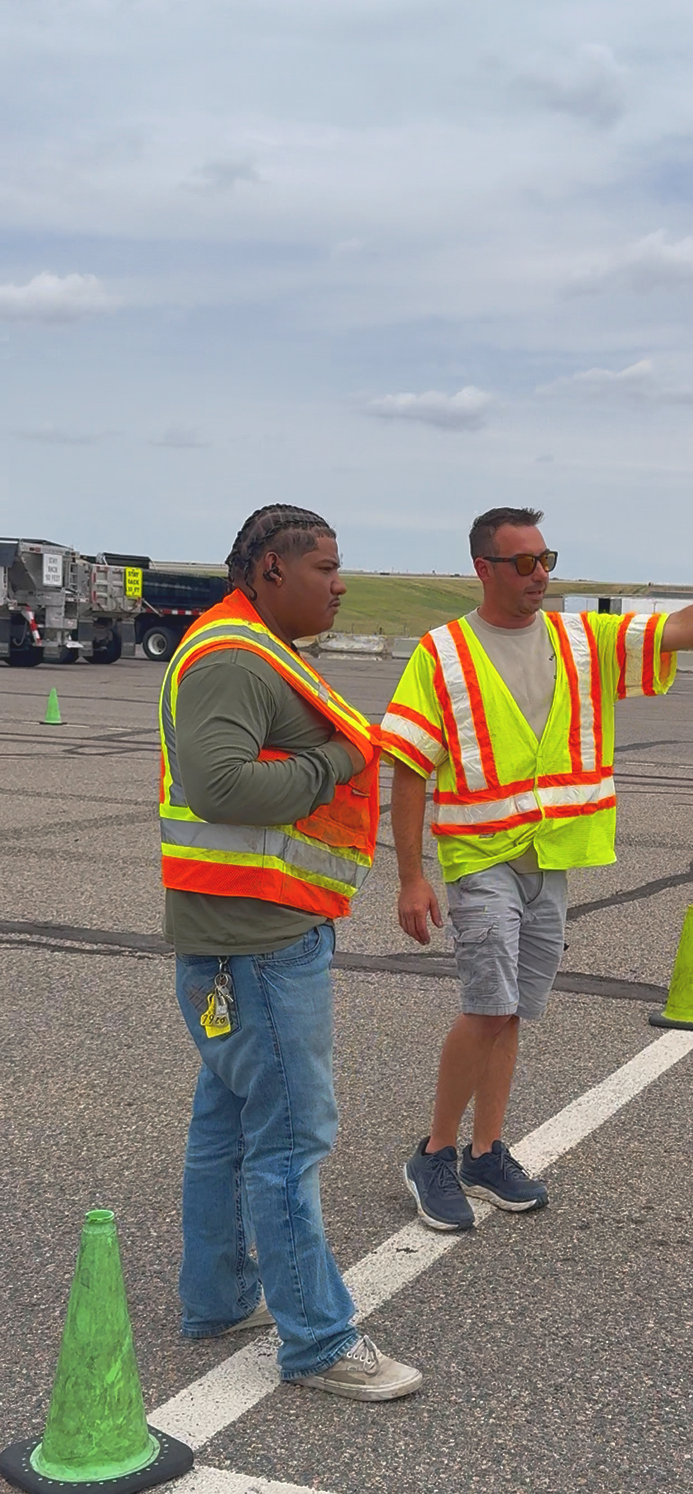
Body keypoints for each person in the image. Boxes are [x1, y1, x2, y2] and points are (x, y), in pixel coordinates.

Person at [381, 506, 693, 1231]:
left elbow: (679, 628)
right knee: (486, 1007)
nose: (540, 575)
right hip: (481, 858)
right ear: (484, 569)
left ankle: (486, 1150)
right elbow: (407, 766)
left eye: (546, 558)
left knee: (515, 1012)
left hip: (553, 856)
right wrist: (410, 876)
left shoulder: (577, 640)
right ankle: (433, 1153)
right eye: (523, 563)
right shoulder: (443, 653)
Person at [160, 504, 421, 1401]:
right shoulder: (235, 658)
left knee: (229, 1125)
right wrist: (338, 765)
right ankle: (318, 1341)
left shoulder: (252, 645)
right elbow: (220, 783)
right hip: (257, 941)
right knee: (291, 1138)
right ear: (272, 568)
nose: (342, 583)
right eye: (327, 567)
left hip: (242, 932)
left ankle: (220, 1298)